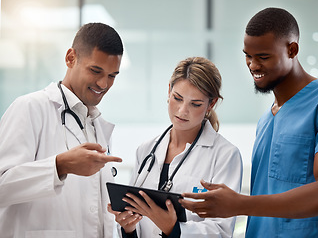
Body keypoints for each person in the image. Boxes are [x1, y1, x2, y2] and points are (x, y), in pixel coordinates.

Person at [179, 7, 318, 237]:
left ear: (292, 50)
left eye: (263, 57)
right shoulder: (266, 120)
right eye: (248, 55)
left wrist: (239, 204)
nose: (253, 65)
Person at [0, 23, 124, 238]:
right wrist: (60, 165)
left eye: (112, 75)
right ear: (70, 58)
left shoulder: (95, 124)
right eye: (96, 70)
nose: (103, 83)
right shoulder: (30, 108)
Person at [108, 56, 243, 238]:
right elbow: (135, 223)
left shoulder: (225, 155)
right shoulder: (146, 151)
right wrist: (128, 228)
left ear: (211, 104)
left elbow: (221, 230)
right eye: (177, 98)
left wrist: (174, 229)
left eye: (195, 104)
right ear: (169, 90)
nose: (182, 111)